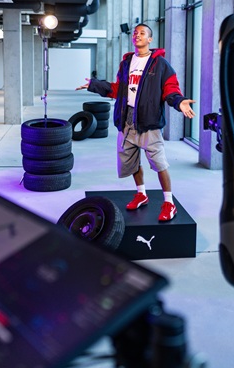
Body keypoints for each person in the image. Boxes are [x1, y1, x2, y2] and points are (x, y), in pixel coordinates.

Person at [77, 23, 196, 222]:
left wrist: (179, 101)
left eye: (142, 33)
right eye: (135, 33)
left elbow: (170, 88)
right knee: (131, 161)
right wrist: (94, 85)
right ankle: (141, 194)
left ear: (150, 39)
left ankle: (169, 202)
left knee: (159, 163)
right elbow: (117, 89)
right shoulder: (126, 62)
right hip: (127, 117)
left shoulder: (160, 64)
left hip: (148, 119)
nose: (137, 35)